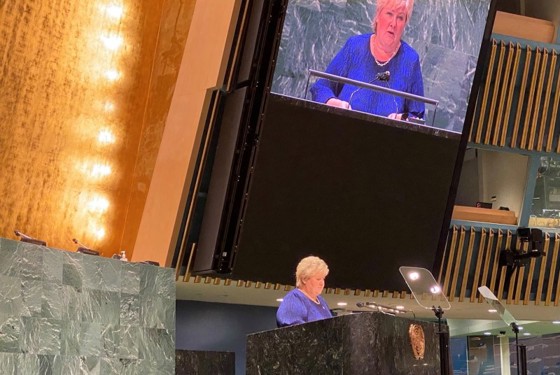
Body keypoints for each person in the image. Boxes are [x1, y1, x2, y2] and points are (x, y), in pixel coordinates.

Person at [310, 0, 424, 121]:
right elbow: (321, 88)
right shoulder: (355, 47)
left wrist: (402, 118)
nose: (393, 23)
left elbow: (418, 116)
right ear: (378, 15)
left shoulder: (410, 60)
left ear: (405, 23)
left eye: (400, 18)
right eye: (389, 14)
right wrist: (333, 103)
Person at [276, 255, 333, 327]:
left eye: (323, 278)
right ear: (304, 279)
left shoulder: (322, 301)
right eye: (318, 279)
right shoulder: (294, 298)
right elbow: (294, 330)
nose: (322, 283)